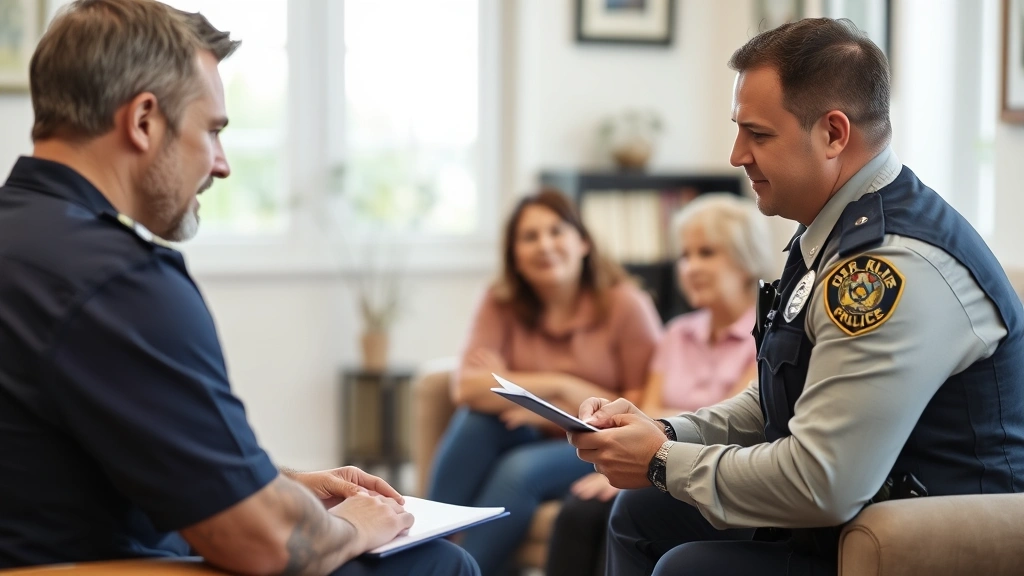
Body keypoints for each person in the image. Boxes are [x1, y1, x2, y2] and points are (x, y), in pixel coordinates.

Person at [0, 1, 478, 574]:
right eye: (212, 131)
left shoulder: (28, 244)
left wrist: (275, 483)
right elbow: (267, 543)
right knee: (437, 564)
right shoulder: (117, 281)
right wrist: (356, 524)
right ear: (144, 121)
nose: (222, 164)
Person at [569, 17, 1024, 576]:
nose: (737, 155)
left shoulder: (886, 268)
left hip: (922, 543)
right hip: (849, 519)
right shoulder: (829, 232)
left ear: (833, 134)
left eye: (758, 135)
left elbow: (821, 482)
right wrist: (665, 433)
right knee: (641, 513)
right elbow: (779, 401)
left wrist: (661, 462)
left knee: (688, 567)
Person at [426, 189, 662, 575]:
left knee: (518, 470)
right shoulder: (499, 301)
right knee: (475, 422)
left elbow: (640, 409)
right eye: (529, 237)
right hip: (522, 430)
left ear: (583, 242)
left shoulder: (626, 305)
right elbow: (466, 388)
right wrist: (555, 389)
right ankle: (423, 547)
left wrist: (558, 388)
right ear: (514, 255)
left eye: (556, 231)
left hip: (595, 441)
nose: (544, 245)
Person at [545, 193, 775, 576]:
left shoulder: (767, 334)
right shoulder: (676, 333)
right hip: (656, 460)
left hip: (708, 474)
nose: (691, 267)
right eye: (684, 255)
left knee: (615, 512)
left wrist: (650, 454)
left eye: (706, 253)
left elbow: (735, 424)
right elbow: (649, 413)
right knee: (577, 512)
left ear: (746, 259)